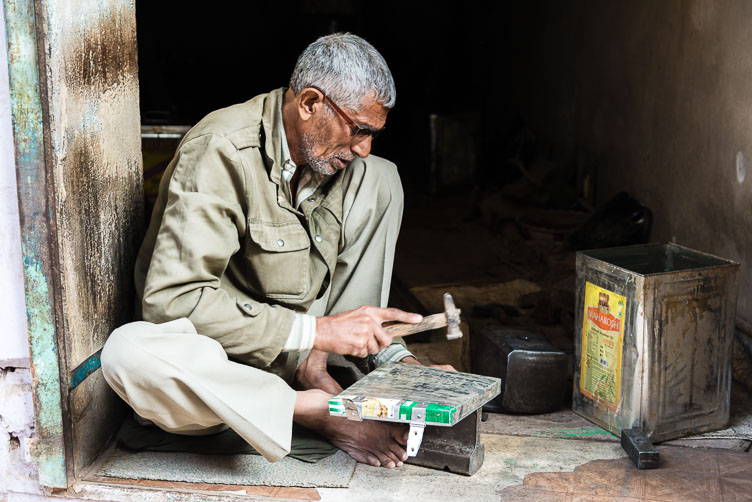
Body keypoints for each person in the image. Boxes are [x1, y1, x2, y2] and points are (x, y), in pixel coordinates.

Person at [101, 32, 451, 470]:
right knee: (127, 353)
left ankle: (319, 378)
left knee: (381, 176)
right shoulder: (221, 151)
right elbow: (171, 302)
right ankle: (312, 410)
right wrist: (313, 333)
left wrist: (404, 368)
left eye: (373, 133)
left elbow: (347, 313)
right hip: (225, 375)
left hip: (303, 355)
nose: (363, 147)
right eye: (359, 129)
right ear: (309, 104)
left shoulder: (348, 166)